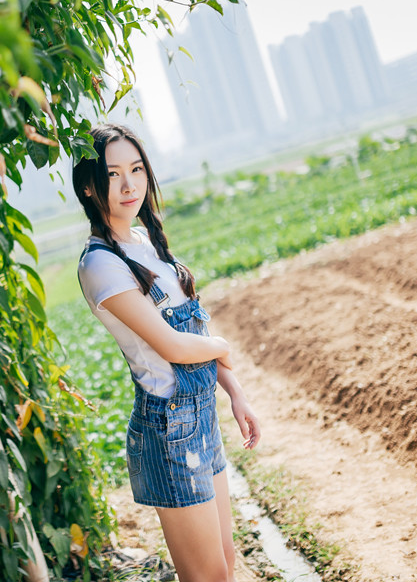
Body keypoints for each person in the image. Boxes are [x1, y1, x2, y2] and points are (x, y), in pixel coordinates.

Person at [73, 123, 261, 582]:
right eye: (113, 174)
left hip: (200, 419)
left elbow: (193, 320)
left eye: (136, 169)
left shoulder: (145, 242)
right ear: (89, 185)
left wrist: (234, 391)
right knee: (207, 576)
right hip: (168, 427)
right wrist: (224, 347)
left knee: (225, 560)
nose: (129, 184)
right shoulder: (101, 264)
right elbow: (174, 345)